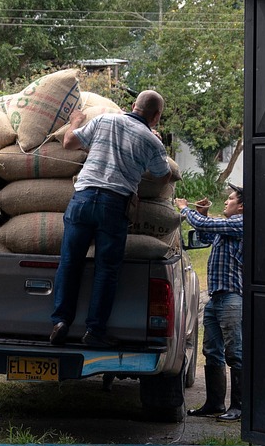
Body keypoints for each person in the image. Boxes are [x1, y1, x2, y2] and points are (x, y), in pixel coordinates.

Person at [50, 90, 177, 349]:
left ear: (133, 106)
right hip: (114, 205)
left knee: (70, 262)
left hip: (82, 200)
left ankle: (61, 321)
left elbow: (68, 143)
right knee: (106, 270)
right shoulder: (152, 142)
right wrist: (153, 146)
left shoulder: (105, 120)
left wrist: (75, 120)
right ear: (156, 117)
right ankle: (95, 330)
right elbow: (163, 176)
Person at [176, 184, 245, 420]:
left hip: (232, 297)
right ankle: (215, 404)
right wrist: (202, 214)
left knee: (235, 352)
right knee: (212, 351)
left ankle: (238, 407)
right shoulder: (227, 227)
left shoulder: (241, 223)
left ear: (242, 206)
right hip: (216, 298)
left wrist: (186, 210)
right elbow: (205, 234)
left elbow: (205, 226)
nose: (225, 202)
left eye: (230, 199)